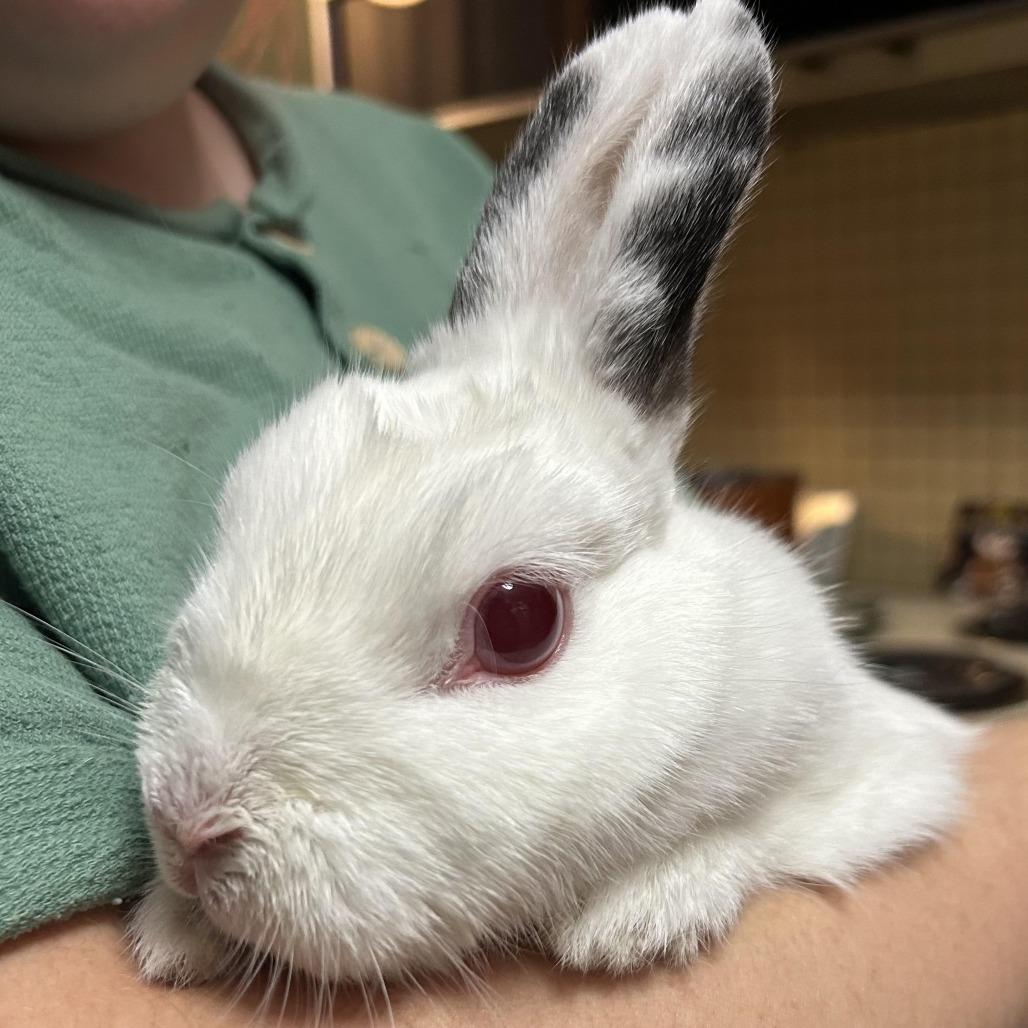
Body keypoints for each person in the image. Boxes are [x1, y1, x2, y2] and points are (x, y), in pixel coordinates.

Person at [0, 2, 1026, 1025]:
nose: (196, 816)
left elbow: (909, 789)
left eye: (515, 620)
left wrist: (729, 851)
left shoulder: (413, 166)